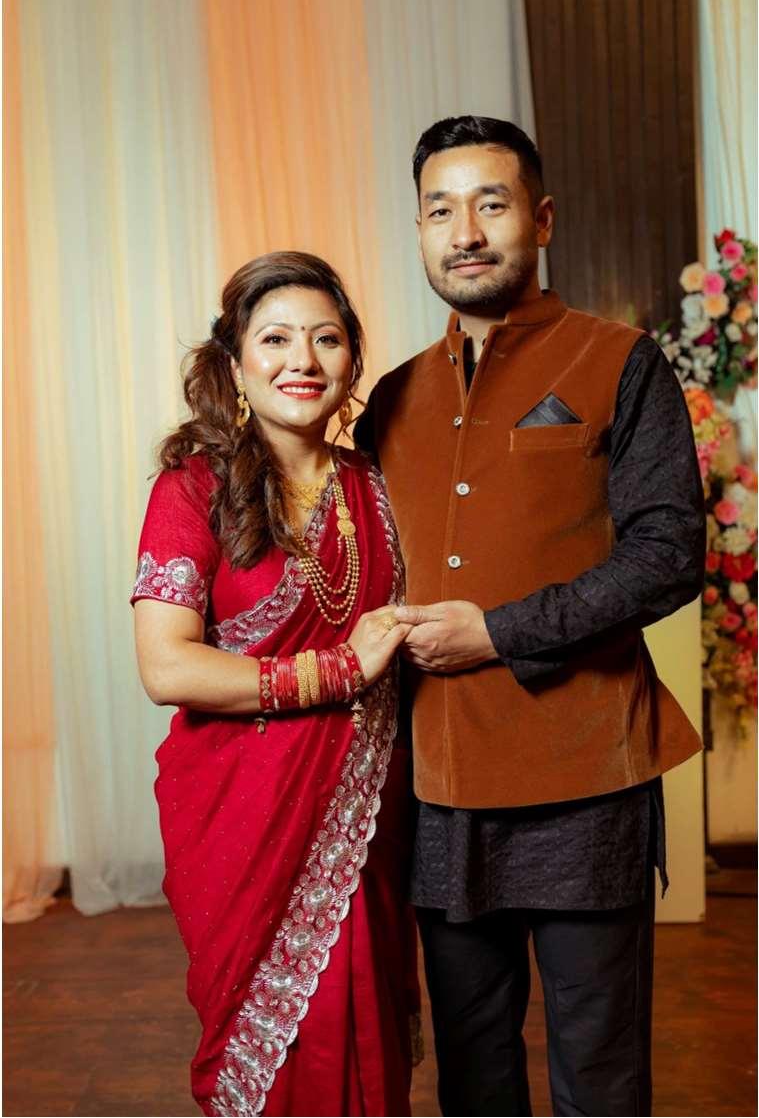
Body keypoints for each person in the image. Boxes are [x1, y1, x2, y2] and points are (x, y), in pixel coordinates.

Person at [354, 116, 706, 1117]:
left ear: (541, 220)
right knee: (472, 1071)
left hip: (585, 776)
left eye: (491, 204)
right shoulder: (390, 398)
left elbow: (667, 555)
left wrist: (499, 631)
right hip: (439, 783)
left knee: (599, 1068)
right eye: (440, 210)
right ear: (419, 230)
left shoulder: (620, 360)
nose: (464, 231)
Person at [131, 251, 419, 1117]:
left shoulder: (380, 487)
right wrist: (338, 668)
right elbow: (166, 665)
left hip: (363, 819)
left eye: (326, 339)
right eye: (276, 338)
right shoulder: (193, 489)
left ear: (352, 359)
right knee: (282, 1052)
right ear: (234, 364)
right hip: (240, 816)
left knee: (364, 1036)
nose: (303, 359)